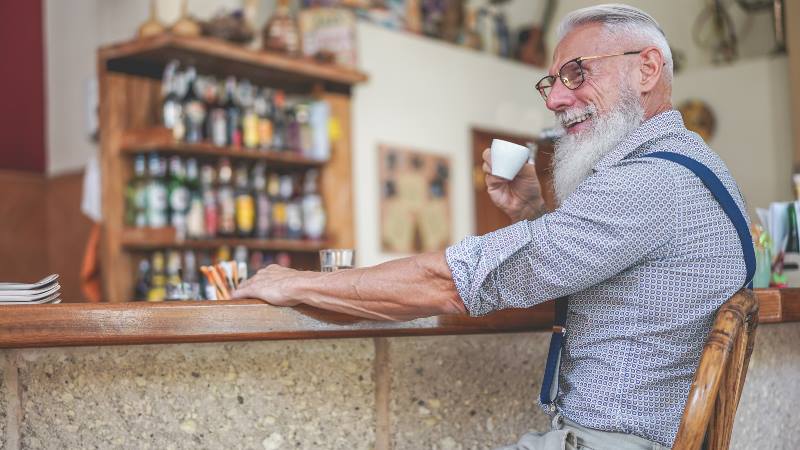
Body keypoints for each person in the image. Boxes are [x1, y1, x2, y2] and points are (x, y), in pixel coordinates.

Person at [234, 4, 751, 449]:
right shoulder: (690, 166)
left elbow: (454, 283)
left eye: (577, 73)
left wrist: (294, 282)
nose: (554, 99)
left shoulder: (649, 181)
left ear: (646, 69)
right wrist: (533, 216)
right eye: (552, 82)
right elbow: (588, 270)